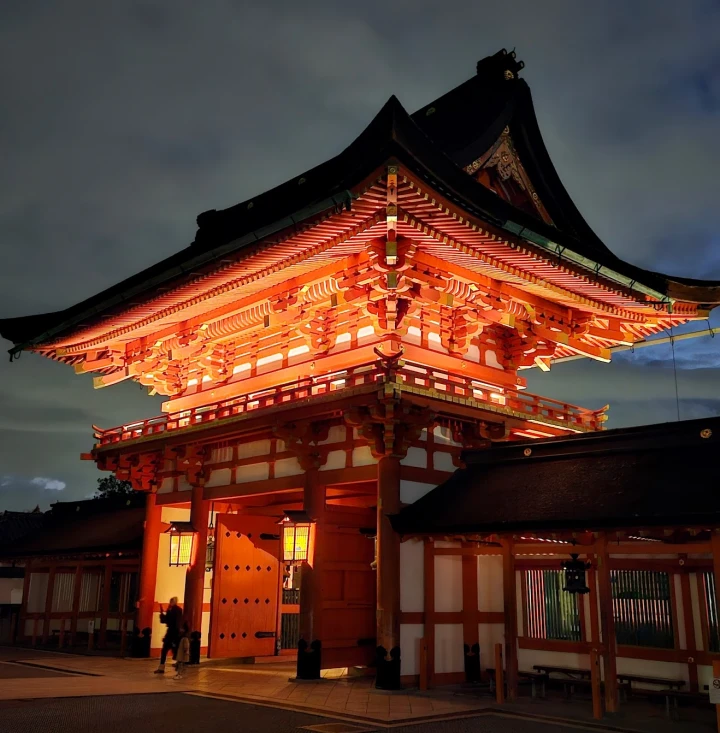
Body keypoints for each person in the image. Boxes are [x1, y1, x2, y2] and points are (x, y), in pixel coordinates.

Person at [154, 596, 182, 674]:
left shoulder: (176, 610)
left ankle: (177, 666)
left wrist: (163, 616)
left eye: (171, 601)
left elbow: (174, 622)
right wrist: (162, 614)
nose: (170, 603)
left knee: (173, 651)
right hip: (172, 632)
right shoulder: (172, 610)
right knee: (166, 650)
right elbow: (166, 620)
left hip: (174, 633)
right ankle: (162, 667)